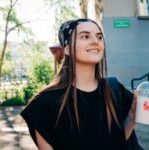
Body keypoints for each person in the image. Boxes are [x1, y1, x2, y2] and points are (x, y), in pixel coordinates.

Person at [21, 18, 143, 150]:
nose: (95, 41)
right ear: (67, 49)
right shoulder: (43, 104)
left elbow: (118, 143)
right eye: (85, 36)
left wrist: (131, 117)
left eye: (99, 37)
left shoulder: (115, 89)